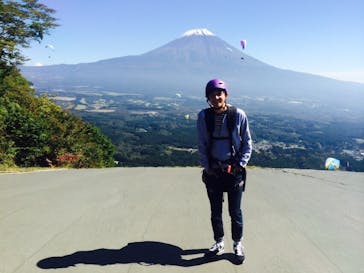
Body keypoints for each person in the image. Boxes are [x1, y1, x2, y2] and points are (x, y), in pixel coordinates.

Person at [197, 79, 252, 264]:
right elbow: (202, 144)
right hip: (214, 171)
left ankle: (237, 244)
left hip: (233, 171)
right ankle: (219, 242)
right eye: (212, 95)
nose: (216, 97)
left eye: (219, 93)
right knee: (215, 211)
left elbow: (247, 142)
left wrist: (241, 164)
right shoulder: (204, 117)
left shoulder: (238, 115)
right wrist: (207, 167)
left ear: (226, 95)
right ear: (208, 98)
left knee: (234, 211)